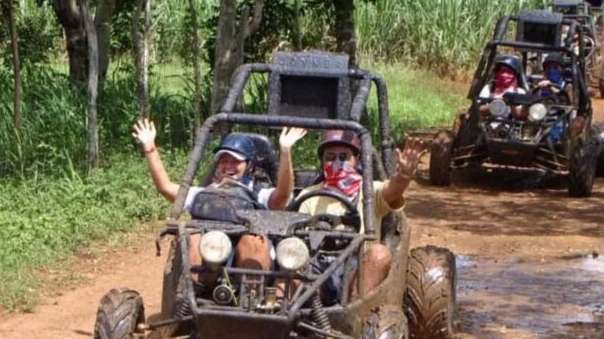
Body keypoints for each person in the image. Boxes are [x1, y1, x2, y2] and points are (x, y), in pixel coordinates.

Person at [132, 118, 307, 283]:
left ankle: (251, 297)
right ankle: (193, 293)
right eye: (224, 160)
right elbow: (165, 187)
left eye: (235, 161)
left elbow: (283, 194)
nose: (228, 166)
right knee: (193, 236)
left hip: (251, 266)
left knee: (253, 241)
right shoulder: (204, 193)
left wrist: (285, 151)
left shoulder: (259, 194)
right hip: (211, 257)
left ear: (250, 166)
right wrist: (150, 148)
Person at [296, 130, 425, 303]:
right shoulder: (309, 195)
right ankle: (278, 318)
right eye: (330, 157)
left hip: (360, 268)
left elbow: (394, 190)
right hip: (317, 269)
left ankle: (355, 316)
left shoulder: (370, 191)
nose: (337, 163)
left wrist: (404, 174)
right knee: (291, 262)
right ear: (322, 162)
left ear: (356, 160)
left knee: (380, 254)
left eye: (344, 157)